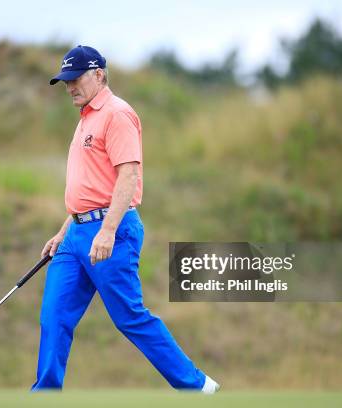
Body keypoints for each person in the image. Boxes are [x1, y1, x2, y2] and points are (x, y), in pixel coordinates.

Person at [31, 45, 219, 393]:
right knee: (54, 317)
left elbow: (128, 176)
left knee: (129, 317)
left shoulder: (117, 114)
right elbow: (86, 188)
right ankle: (44, 395)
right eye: (65, 81)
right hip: (76, 235)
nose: (70, 86)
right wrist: (62, 231)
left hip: (111, 232)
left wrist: (107, 229)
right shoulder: (86, 117)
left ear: (99, 75)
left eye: (75, 79)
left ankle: (197, 386)